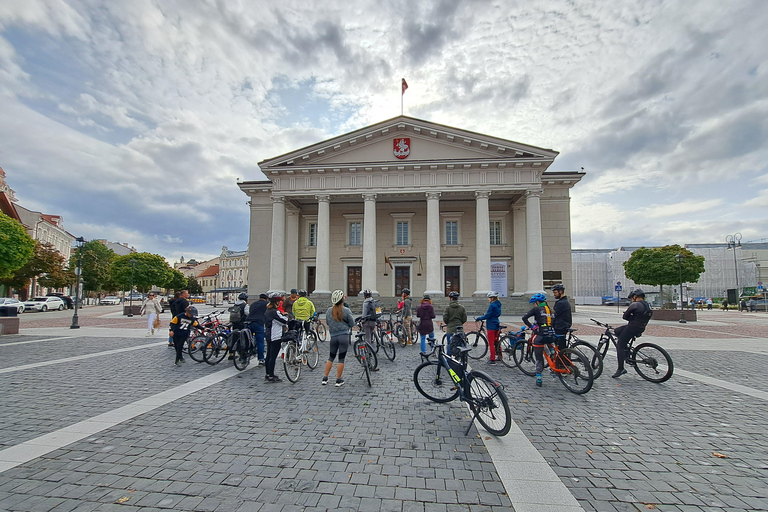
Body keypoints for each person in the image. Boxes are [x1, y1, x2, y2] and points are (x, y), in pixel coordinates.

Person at [612, 289, 653, 378]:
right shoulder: (647, 305)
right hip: (640, 328)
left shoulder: (635, 305)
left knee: (620, 346)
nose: (632, 299)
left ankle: (621, 369)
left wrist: (631, 317)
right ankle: (627, 352)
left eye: (632, 298)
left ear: (635, 296)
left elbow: (625, 316)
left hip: (632, 328)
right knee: (617, 331)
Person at [521, 293, 555, 387]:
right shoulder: (550, 309)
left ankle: (539, 378)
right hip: (551, 333)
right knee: (550, 344)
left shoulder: (536, 309)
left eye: (534, 303)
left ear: (537, 302)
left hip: (540, 335)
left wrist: (532, 326)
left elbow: (524, 318)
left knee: (539, 357)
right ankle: (553, 359)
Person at [322, 290, 355, 387]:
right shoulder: (346, 310)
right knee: (341, 359)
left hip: (333, 337)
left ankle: (325, 378)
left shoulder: (329, 311)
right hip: (344, 336)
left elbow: (328, 323)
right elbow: (352, 323)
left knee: (331, 357)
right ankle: (338, 380)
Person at [264, 292, 288, 382]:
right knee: (272, 356)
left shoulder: (268, 311)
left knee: (269, 355)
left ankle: (268, 374)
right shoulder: (275, 312)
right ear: (276, 302)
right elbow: (283, 320)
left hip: (269, 335)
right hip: (275, 335)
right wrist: (286, 316)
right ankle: (271, 375)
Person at [476, 291, 502, 364]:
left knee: (491, 343)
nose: (488, 299)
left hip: (491, 325)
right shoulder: (498, 304)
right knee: (496, 341)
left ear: (492, 298)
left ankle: (492, 358)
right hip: (496, 323)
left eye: (489, 298)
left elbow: (488, 315)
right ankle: (500, 356)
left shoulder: (492, 305)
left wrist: (480, 318)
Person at [245, 293, 268, 366]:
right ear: (266, 299)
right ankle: (261, 359)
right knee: (260, 342)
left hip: (248, 322)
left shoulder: (253, 304)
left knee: (246, 340)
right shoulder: (267, 304)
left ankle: (243, 357)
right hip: (258, 323)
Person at [227, 292, 249, 360]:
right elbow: (247, 313)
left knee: (234, 337)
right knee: (242, 339)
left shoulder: (235, 304)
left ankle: (231, 353)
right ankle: (242, 354)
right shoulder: (245, 305)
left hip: (234, 323)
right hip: (242, 324)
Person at [552, 284, 572, 352]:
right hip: (563, 325)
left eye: (555, 292)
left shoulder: (561, 303)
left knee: (560, 347)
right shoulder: (564, 301)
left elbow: (554, 315)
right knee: (561, 346)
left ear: (560, 292)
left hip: (560, 327)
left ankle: (561, 361)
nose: (554, 294)